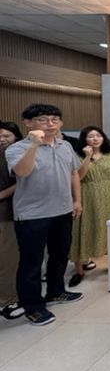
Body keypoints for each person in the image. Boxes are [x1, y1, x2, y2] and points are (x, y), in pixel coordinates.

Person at [5, 104, 83, 326]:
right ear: (28, 123)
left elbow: (74, 173)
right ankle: (32, 307)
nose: (50, 124)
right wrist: (34, 145)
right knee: (32, 262)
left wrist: (77, 200)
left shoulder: (65, 146)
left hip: (63, 210)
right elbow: (22, 171)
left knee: (60, 255)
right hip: (32, 215)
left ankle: (56, 291)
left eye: (54, 119)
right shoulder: (17, 148)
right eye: (42, 119)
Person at [68, 126, 110, 287]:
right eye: (90, 136)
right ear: (84, 139)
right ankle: (79, 270)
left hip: (108, 194)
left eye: (98, 135)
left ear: (103, 138)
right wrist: (88, 157)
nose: (95, 139)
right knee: (81, 228)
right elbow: (79, 176)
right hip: (85, 194)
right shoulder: (77, 155)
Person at [0, 121, 24, 320]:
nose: (2, 139)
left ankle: (8, 300)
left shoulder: (17, 155)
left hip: (8, 212)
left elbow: (22, 180)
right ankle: (7, 300)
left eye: (6, 135)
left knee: (8, 259)